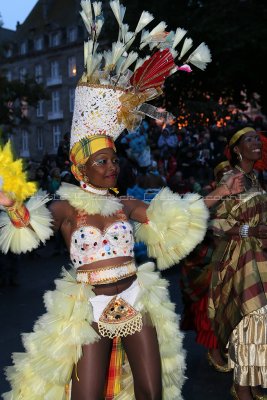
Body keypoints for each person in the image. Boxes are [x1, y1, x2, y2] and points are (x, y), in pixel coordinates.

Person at [0, 2, 243, 399]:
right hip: (88, 309)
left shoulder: (126, 204)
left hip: (135, 297)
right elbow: (27, 223)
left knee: (152, 392)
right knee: (87, 395)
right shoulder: (65, 209)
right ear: (81, 170)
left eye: (114, 159)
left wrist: (221, 191)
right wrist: (10, 201)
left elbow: (180, 215)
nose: (112, 166)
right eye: (102, 161)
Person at [208, 127, 267, 400]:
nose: (256, 143)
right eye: (249, 139)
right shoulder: (231, 178)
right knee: (248, 320)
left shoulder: (255, 179)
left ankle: (253, 381)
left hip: (260, 257)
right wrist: (247, 232)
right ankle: (242, 387)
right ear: (236, 149)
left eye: (258, 138)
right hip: (239, 259)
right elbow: (217, 223)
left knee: (260, 321)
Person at [180, 160, 233, 373]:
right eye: (226, 175)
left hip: (238, 261)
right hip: (209, 263)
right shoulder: (207, 198)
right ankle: (214, 350)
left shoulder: (247, 197)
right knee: (211, 309)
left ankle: (229, 345)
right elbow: (190, 223)